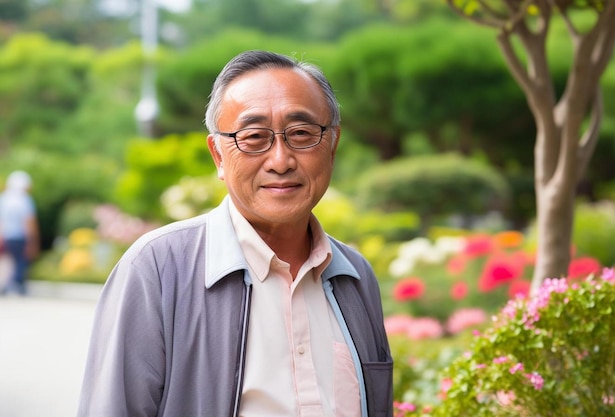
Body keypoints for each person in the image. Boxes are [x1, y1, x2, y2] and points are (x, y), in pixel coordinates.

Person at [78, 50, 393, 417]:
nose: (280, 161)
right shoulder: (158, 270)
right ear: (218, 155)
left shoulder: (355, 276)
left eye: (302, 134)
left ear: (333, 144)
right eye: (254, 137)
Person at [0, 170, 39, 296]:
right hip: (20, 236)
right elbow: (29, 222)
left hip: (6, 236)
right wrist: (32, 240)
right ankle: (16, 284)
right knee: (21, 261)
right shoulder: (25, 199)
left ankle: (7, 284)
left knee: (9, 261)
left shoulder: (4, 198)